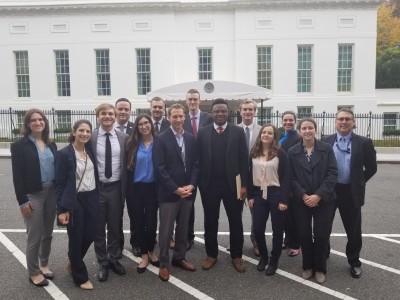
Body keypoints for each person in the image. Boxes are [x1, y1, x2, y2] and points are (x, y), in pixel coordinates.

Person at [322, 108, 377, 278]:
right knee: (323, 227)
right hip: (329, 191)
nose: (344, 122)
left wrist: (358, 182)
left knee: (353, 230)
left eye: (347, 119)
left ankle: (354, 261)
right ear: (335, 122)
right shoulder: (325, 141)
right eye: (340, 119)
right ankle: (323, 254)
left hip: (350, 191)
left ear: (353, 122)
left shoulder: (364, 142)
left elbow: (371, 168)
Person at [197, 98, 249, 273]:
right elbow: (198, 159)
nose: (220, 114)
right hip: (209, 185)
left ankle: (236, 255)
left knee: (235, 221)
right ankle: (211, 254)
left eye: (223, 111)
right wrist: (201, 183)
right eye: (217, 111)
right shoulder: (203, 132)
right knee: (210, 221)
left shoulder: (238, 132)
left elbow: (244, 160)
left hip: (232, 185)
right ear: (212, 113)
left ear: (229, 113)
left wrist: (244, 186)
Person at [287, 117, 337, 284]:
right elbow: (290, 177)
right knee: (304, 234)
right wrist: (303, 195)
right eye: (304, 128)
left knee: (322, 235)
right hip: (301, 200)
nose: (307, 131)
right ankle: (307, 266)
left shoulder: (326, 149)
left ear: (315, 130)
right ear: (300, 131)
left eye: (310, 128)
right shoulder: (292, 151)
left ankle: (320, 268)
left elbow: (332, 173)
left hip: (324, 200)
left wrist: (318, 195)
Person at [11, 108, 57, 287]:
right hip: (33, 195)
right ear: (28, 124)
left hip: (52, 192)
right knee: (34, 235)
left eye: (41, 120)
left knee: (48, 233)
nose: (38, 122)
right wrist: (22, 200)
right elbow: (17, 176)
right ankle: (33, 272)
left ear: (45, 122)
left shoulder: (50, 143)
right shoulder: (19, 146)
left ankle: (44, 264)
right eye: (34, 120)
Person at [153, 104, 199, 282]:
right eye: (175, 117)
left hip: (187, 192)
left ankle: (179, 257)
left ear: (184, 117)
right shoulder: (161, 138)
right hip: (169, 193)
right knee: (165, 230)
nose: (178, 120)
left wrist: (192, 185)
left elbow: (195, 164)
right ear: (168, 117)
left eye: (181, 116)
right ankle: (164, 263)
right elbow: (160, 168)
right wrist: (175, 188)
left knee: (183, 228)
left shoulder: (190, 137)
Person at [55, 120, 99, 290]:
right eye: (81, 130)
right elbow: (59, 184)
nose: (85, 134)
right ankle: (80, 277)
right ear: (74, 132)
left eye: (88, 131)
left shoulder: (90, 151)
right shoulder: (63, 154)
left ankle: (74, 260)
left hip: (92, 197)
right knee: (76, 237)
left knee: (90, 234)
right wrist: (62, 209)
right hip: (74, 199)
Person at [91, 103, 128, 282]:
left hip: (116, 188)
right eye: (103, 113)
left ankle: (113, 258)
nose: (107, 116)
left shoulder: (123, 137)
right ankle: (102, 261)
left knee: (115, 225)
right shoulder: (91, 137)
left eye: (110, 113)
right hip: (97, 189)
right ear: (98, 116)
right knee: (98, 228)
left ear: (115, 116)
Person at [248, 124, 289, 276]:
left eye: (269, 133)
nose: (266, 135)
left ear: (274, 136)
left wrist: (284, 200)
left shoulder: (280, 153)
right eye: (263, 132)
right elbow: (248, 174)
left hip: (276, 193)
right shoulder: (253, 152)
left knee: (278, 230)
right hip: (258, 194)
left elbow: (286, 178)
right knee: (258, 228)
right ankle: (264, 257)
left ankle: (274, 260)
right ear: (260, 135)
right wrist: (251, 196)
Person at [125, 114, 160, 274]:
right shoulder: (132, 143)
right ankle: (144, 255)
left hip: (153, 188)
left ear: (151, 125)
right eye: (140, 124)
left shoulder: (159, 142)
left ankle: (152, 251)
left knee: (152, 222)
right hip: (136, 189)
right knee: (138, 222)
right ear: (136, 127)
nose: (144, 126)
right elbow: (126, 169)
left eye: (146, 123)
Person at [182, 88, 213, 250]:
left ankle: (210, 237)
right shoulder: (182, 119)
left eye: (195, 99)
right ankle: (188, 237)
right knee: (188, 205)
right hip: (190, 169)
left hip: (207, 169)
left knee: (210, 205)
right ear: (186, 101)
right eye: (190, 99)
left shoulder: (209, 118)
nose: (192, 102)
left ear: (199, 101)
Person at [115, 97, 140, 257]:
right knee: (116, 214)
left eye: (126, 109)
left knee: (135, 213)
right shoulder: (107, 128)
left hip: (132, 180)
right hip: (115, 181)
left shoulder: (136, 129)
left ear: (130, 112)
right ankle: (117, 245)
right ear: (115, 110)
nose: (123, 112)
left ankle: (136, 243)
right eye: (120, 109)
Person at [237, 99, 262, 256]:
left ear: (255, 111)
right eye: (245, 109)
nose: (247, 112)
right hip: (238, 178)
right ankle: (236, 242)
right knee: (235, 212)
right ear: (240, 111)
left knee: (257, 213)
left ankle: (257, 242)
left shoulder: (262, 130)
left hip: (257, 178)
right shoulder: (233, 129)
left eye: (250, 109)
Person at [279, 111, 302, 257]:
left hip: (291, 180)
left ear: (295, 121)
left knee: (294, 216)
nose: (288, 122)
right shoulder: (282, 136)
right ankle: (287, 240)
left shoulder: (297, 138)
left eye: (290, 120)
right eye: (285, 120)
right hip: (279, 180)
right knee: (285, 215)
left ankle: (296, 244)